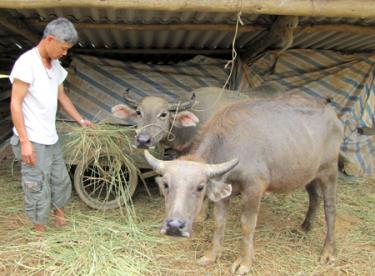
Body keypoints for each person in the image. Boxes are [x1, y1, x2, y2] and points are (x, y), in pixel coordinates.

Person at [9, 17, 92, 232]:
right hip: (32, 139)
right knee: (36, 184)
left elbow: (62, 97)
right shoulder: (27, 63)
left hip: (50, 137)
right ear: (50, 39)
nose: (65, 53)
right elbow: (15, 104)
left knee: (60, 179)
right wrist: (25, 142)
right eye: (63, 48)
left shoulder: (55, 66)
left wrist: (80, 119)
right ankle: (40, 230)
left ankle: (59, 216)